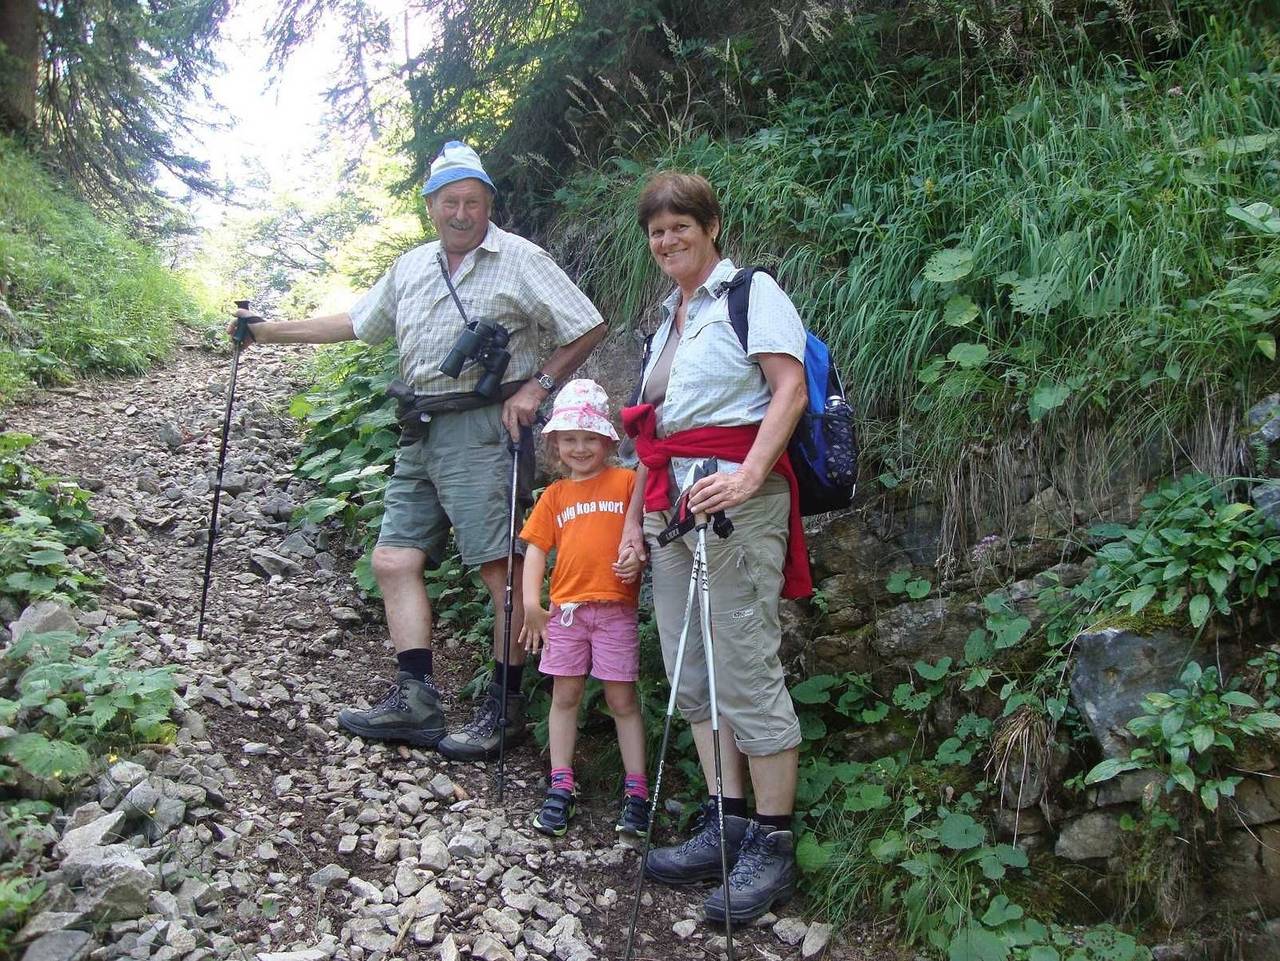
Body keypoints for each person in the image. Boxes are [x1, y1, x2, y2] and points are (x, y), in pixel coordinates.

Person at [230, 141, 607, 760]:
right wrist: (267, 332)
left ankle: (504, 709)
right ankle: (416, 698)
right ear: (431, 206)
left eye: (474, 202)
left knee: (500, 569)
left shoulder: (518, 258)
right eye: (451, 201)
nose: (463, 212)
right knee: (393, 560)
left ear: (489, 205)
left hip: (485, 428)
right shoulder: (411, 267)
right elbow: (355, 322)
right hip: (420, 427)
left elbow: (587, 322)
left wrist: (538, 388)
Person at [619, 171, 812, 924]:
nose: (668, 240)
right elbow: (652, 433)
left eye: (680, 226)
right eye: (657, 231)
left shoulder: (750, 293)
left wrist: (749, 476)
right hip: (672, 504)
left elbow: (787, 389)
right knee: (688, 667)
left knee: (743, 662)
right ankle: (724, 818)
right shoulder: (663, 318)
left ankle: (773, 840)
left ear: (712, 226)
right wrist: (634, 519)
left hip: (737, 504)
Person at [517, 379, 647, 838]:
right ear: (554, 444)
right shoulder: (554, 496)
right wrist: (532, 604)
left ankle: (636, 791)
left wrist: (639, 555)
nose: (579, 447)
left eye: (589, 438)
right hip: (566, 612)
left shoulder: (627, 482)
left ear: (607, 441)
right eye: (569, 439)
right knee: (565, 695)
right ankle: (561, 784)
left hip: (615, 610)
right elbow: (535, 550)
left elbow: (644, 534)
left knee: (621, 699)